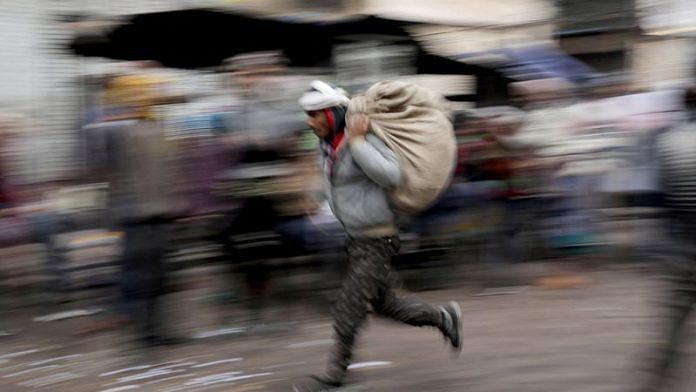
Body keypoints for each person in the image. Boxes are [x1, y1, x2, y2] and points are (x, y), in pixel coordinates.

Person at [293, 81, 463, 391]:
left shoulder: (362, 138)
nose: (309, 121)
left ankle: (335, 377)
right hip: (356, 242)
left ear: (332, 114)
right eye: (308, 114)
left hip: (377, 241)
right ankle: (444, 318)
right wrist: (316, 197)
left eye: (315, 114)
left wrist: (358, 143)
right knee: (387, 304)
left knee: (349, 306)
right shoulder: (327, 145)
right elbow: (342, 185)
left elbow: (391, 174)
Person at [639, 85, 696, 392]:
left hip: (684, 249)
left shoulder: (669, 141)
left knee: (674, 324)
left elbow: (659, 198)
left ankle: (655, 381)